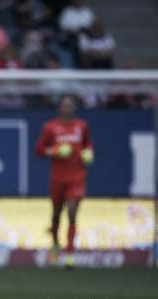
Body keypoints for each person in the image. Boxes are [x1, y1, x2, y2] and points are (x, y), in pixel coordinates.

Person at [35, 95, 93, 267]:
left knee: (72, 213)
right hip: (58, 178)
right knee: (56, 214)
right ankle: (55, 243)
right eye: (64, 105)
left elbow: (88, 144)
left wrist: (88, 153)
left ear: (74, 108)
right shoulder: (50, 127)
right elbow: (39, 150)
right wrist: (56, 151)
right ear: (59, 108)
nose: (67, 108)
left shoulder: (82, 126)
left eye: (70, 105)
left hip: (76, 177)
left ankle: (70, 253)